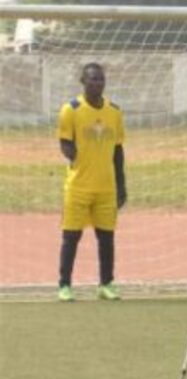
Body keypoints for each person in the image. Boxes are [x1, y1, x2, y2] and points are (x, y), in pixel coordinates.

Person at [56, 62, 127, 302]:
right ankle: (64, 285)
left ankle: (106, 284)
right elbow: (64, 142)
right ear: (83, 82)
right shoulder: (71, 110)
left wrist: (121, 184)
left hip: (106, 187)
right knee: (71, 236)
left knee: (106, 237)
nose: (98, 83)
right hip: (78, 186)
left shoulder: (114, 112)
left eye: (101, 79)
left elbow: (118, 151)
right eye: (93, 79)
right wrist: (74, 154)